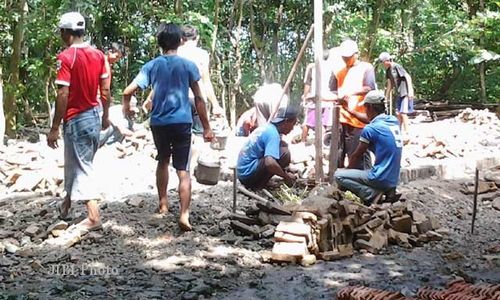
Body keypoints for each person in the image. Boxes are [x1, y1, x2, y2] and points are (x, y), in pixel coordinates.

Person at [122, 22, 214, 231]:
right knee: (183, 169)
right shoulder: (189, 66)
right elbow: (199, 98)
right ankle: (184, 214)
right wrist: (207, 128)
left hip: (159, 123)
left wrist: (127, 109)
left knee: (163, 161)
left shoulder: (152, 66)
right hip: (182, 122)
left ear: (159, 44)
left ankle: (163, 204)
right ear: (181, 41)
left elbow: (128, 91)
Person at [48, 12, 110, 231]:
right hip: (94, 114)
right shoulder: (98, 55)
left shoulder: (66, 57)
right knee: (76, 161)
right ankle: (66, 204)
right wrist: (105, 115)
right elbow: (105, 89)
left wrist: (55, 127)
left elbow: (62, 94)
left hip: (77, 118)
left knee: (82, 166)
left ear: (65, 33)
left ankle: (93, 216)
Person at [334, 90, 403, 205]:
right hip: (394, 179)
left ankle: (370, 193)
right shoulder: (393, 121)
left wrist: (347, 172)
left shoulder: (370, 129)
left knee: (338, 176)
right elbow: (369, 120)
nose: (365, 111)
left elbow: (356, 156)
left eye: (365, 108)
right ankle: (389, 190)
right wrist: (348, 109)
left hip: (380, 177)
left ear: (370, 107)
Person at [326, 39, 377, 170]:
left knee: (358, 154)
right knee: (338, 152)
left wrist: (351, 92)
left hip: (358, 119)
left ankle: (364, 181)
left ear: (356, 54)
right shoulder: (339, 71)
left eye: (348, 57)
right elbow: (332, 90)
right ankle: (339, 179)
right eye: (344, 57)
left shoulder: (366, 67)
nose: (346, 59)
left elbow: (369, 88)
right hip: (341, 118)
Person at [237, 106, 298, 189]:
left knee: (282, 145)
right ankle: (258, 185)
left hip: (242, 172)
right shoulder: (273, 134)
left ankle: (261, 181)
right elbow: (269, 163)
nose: (292, 128)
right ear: (286, 122)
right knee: (285, 153)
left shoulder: (267, 127)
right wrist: (286, 177)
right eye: (293, 124)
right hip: (247, 175)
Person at [378, 52, 415, 141]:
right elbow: (390, 84)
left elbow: (407, 77)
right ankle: (399, 132)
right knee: (398, 113)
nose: (383, 65)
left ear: (387, 60)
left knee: (403, 112)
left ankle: (408, 133)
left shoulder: (396, 66)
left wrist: (410, 91)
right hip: (398, 93)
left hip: (404, 91)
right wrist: (386, 97)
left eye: (383, 62)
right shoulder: (388, 71)